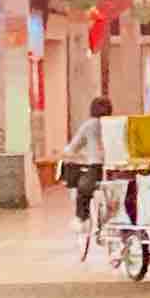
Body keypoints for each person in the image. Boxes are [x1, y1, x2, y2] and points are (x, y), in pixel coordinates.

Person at [62, 95, 112, 229]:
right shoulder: (113, 123)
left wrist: (68, 152)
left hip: (96, 168)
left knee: (83, 188)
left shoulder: (89, 125)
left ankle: (82, 218)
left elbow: (72, 148)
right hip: (114, 169)